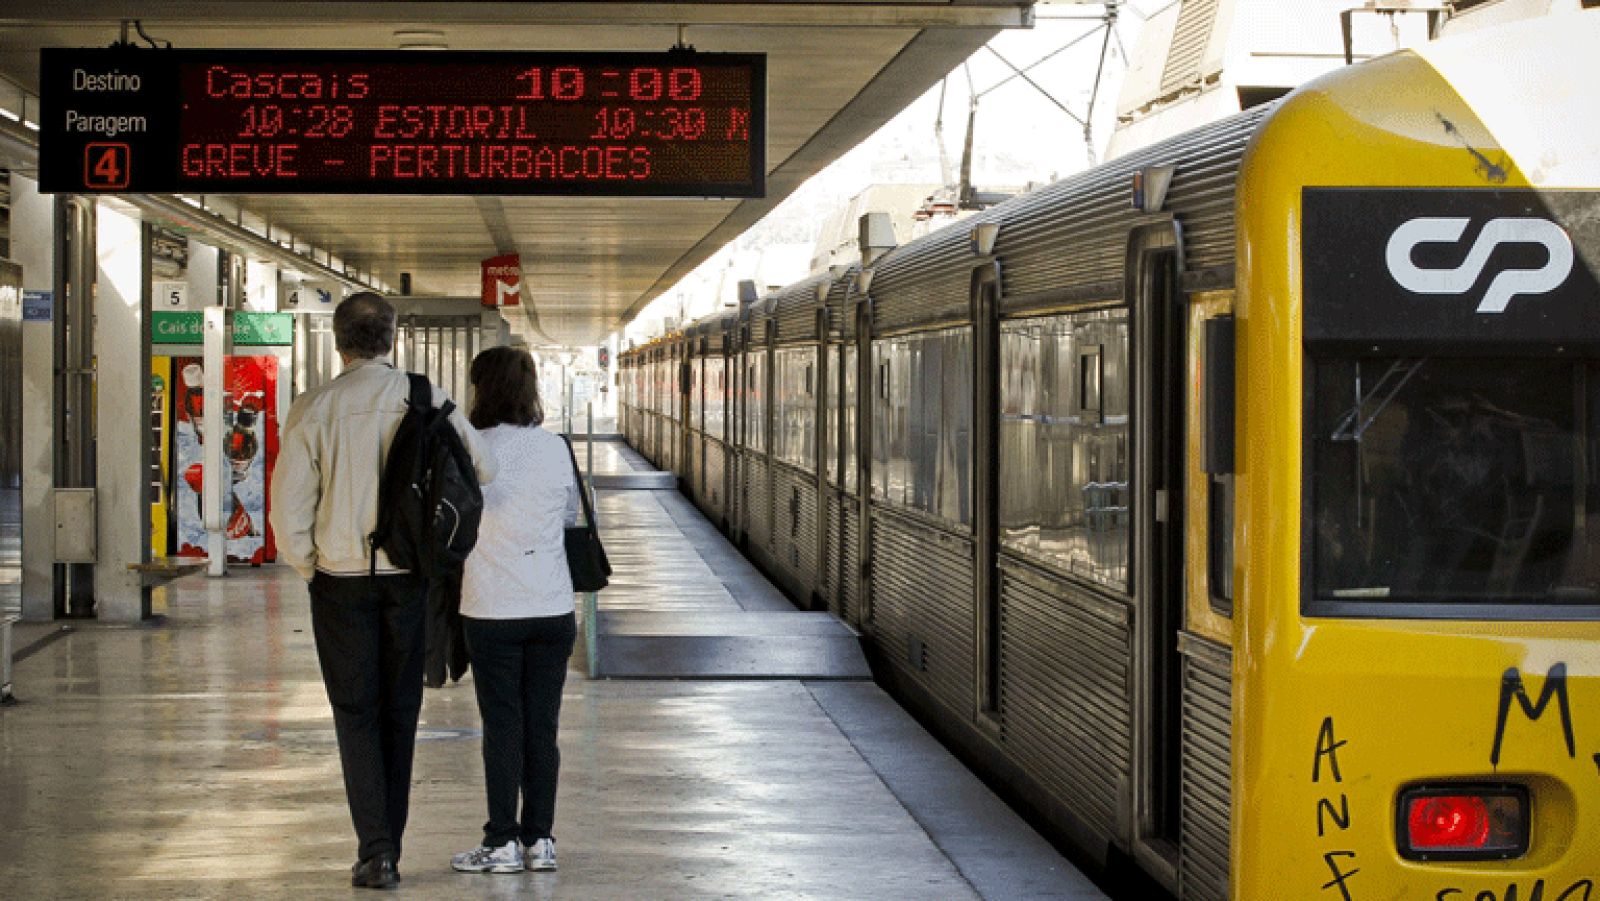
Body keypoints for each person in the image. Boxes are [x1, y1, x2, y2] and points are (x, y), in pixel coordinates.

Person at [270, 292, 496, 890]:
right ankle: (388, 843)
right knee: (401, 710)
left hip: (340, 583)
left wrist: (308, 566)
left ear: (340, 342)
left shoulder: (313, 409)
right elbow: (484, 467)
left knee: (356, 713)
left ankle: (376, 850)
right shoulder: (427, 399)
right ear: (391, 339)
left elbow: (289, 510)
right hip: (411, 580)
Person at [450, 346, 579, 876]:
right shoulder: (554, 448)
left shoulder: (471, 447)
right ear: (530, 391)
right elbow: (569, 516)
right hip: (552, 606)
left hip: (492, 608)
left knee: (502, 724)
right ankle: (540, 841)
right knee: (541, 727)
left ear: (480, 389)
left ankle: (501, 841)